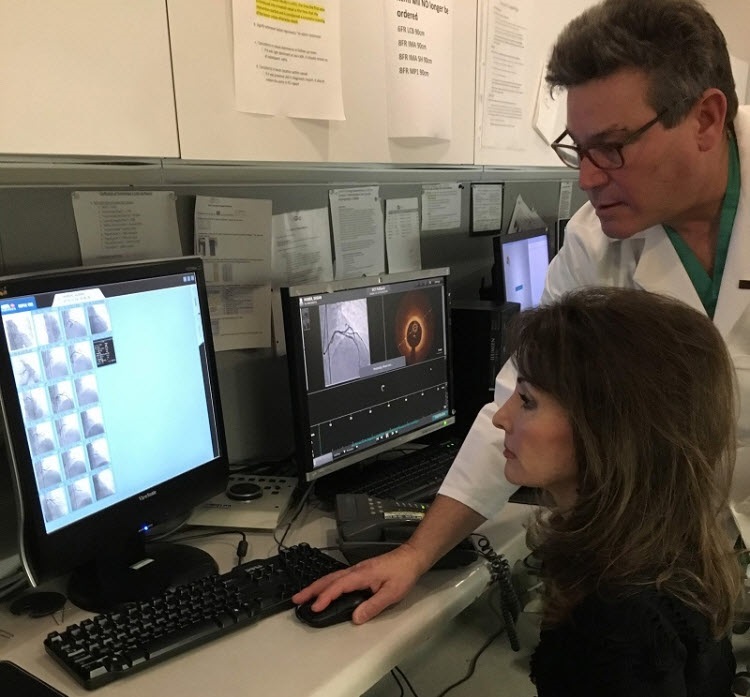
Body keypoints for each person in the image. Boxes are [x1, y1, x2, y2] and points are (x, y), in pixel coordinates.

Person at [293, 0, 750, 626]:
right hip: (684, 553)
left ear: (705, 118)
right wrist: (417, 553)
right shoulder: (597, 241)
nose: (587, 179)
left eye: (612, 147)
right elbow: (514, 401)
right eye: (577, 148)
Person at [510, 287, 738, 694]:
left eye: (526, 401)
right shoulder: (668, 552)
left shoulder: (618, 618)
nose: (501, 418)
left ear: (604, 430)